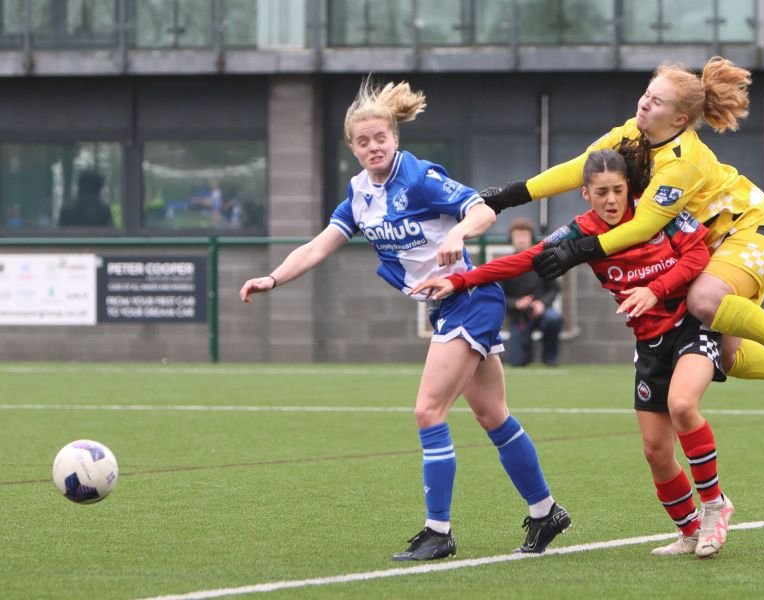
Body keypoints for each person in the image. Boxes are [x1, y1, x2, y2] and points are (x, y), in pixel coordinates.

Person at [239, 78, 570, 561]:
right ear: (351, 147)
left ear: (396, 139)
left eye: (381, 138)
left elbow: (480, 210)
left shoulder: (418, 176)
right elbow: (318, 246)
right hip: (448, 306)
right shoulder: (358, 195)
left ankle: (439, 532)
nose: (374, 147)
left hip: (470, 297)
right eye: (363, 141)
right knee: (491, 415)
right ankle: (546, 512)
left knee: (428, 411)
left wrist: (458, 232)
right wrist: (273, 278)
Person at [413, 149, 735, 558]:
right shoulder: (581, 232)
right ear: (586, 193)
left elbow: (698, 255)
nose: (612, 200)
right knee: (655, 452)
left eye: (619, 190)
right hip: (650, 343)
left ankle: (714, 507)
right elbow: (526, 259)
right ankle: (688, 530)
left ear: (630, 188)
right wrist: (461, 281)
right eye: (602, 192)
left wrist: (655, 289)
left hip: (692, 324)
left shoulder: (659, 211)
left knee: (682, 405)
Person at [481, 56, 764, 425]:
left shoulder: (682, 161)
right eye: (647, 93)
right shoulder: (632, 131)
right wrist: (510, 195)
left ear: (679, 119)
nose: (645, 102)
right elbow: (581, 167)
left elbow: (643, 226)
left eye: (657, 101)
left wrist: (579, 251)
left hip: (753, 232)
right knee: (725, 356)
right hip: (722, 244)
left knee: (704, 300)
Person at [502, 218, 563, 367]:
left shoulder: (542, 261)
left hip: (542, 312)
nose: (521, 239)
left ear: (531, 237)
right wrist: (516, 303)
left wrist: (542, 304)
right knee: (517, 362)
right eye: (518, 235)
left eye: (525, 235)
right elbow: (500, 295)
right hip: (519, 316)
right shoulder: (504, 264)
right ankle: (524, 355)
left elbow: (554, 288)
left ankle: (550, 358)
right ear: (512, 238)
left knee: (553, 319)